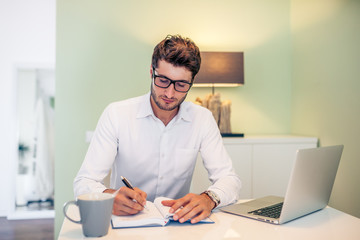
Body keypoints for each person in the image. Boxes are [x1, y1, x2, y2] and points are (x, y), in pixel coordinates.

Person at [74, 34, 241, 224]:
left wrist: (209, 198)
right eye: (163, 80)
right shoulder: (116, 114)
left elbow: (230, 179)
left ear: (191, 82)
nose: (170, 93)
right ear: (151, 72)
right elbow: (84, 182)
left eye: (181, 85)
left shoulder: (202, 119)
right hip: (125, 225)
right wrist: (107, 195)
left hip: (177, 225)